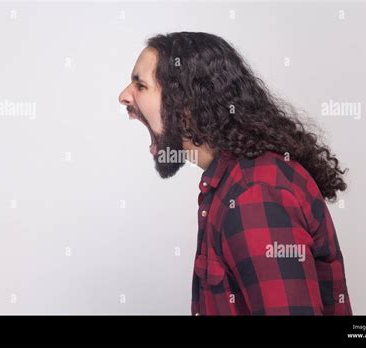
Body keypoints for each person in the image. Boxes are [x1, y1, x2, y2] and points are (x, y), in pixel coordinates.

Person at [118, 32, 352, 316]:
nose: (124, 96)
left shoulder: (254, 194)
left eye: (140, 85)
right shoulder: (233, 185)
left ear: (186, 105)